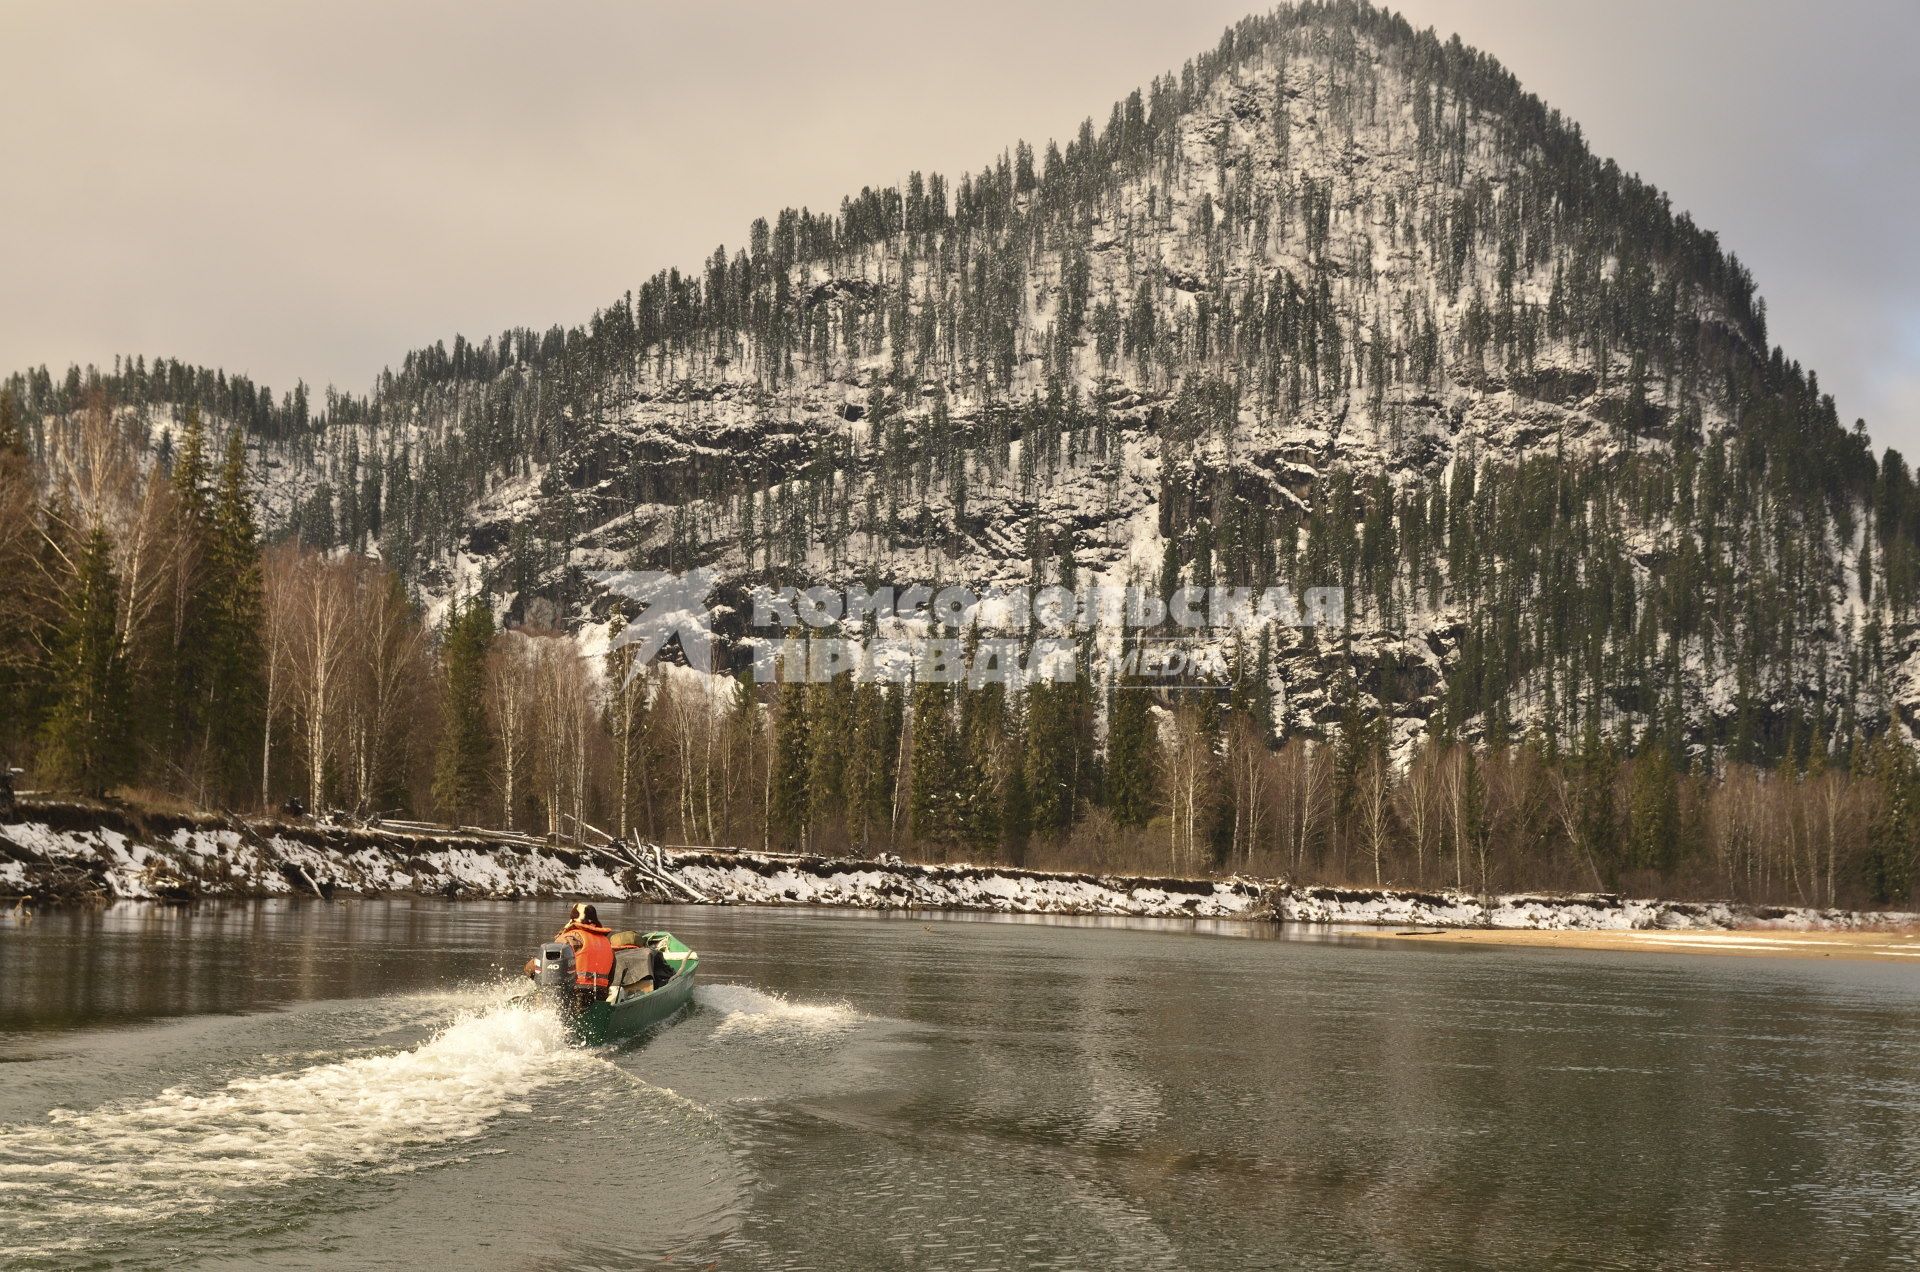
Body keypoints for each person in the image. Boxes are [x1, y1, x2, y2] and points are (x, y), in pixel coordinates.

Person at [524, 902, 615, 1003]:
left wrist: (529, 969)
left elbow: (546, 962)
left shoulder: (570, 938)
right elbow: (610, 978)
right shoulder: (607, 943)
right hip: (599, 996)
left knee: (527, 998)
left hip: (574, 995)